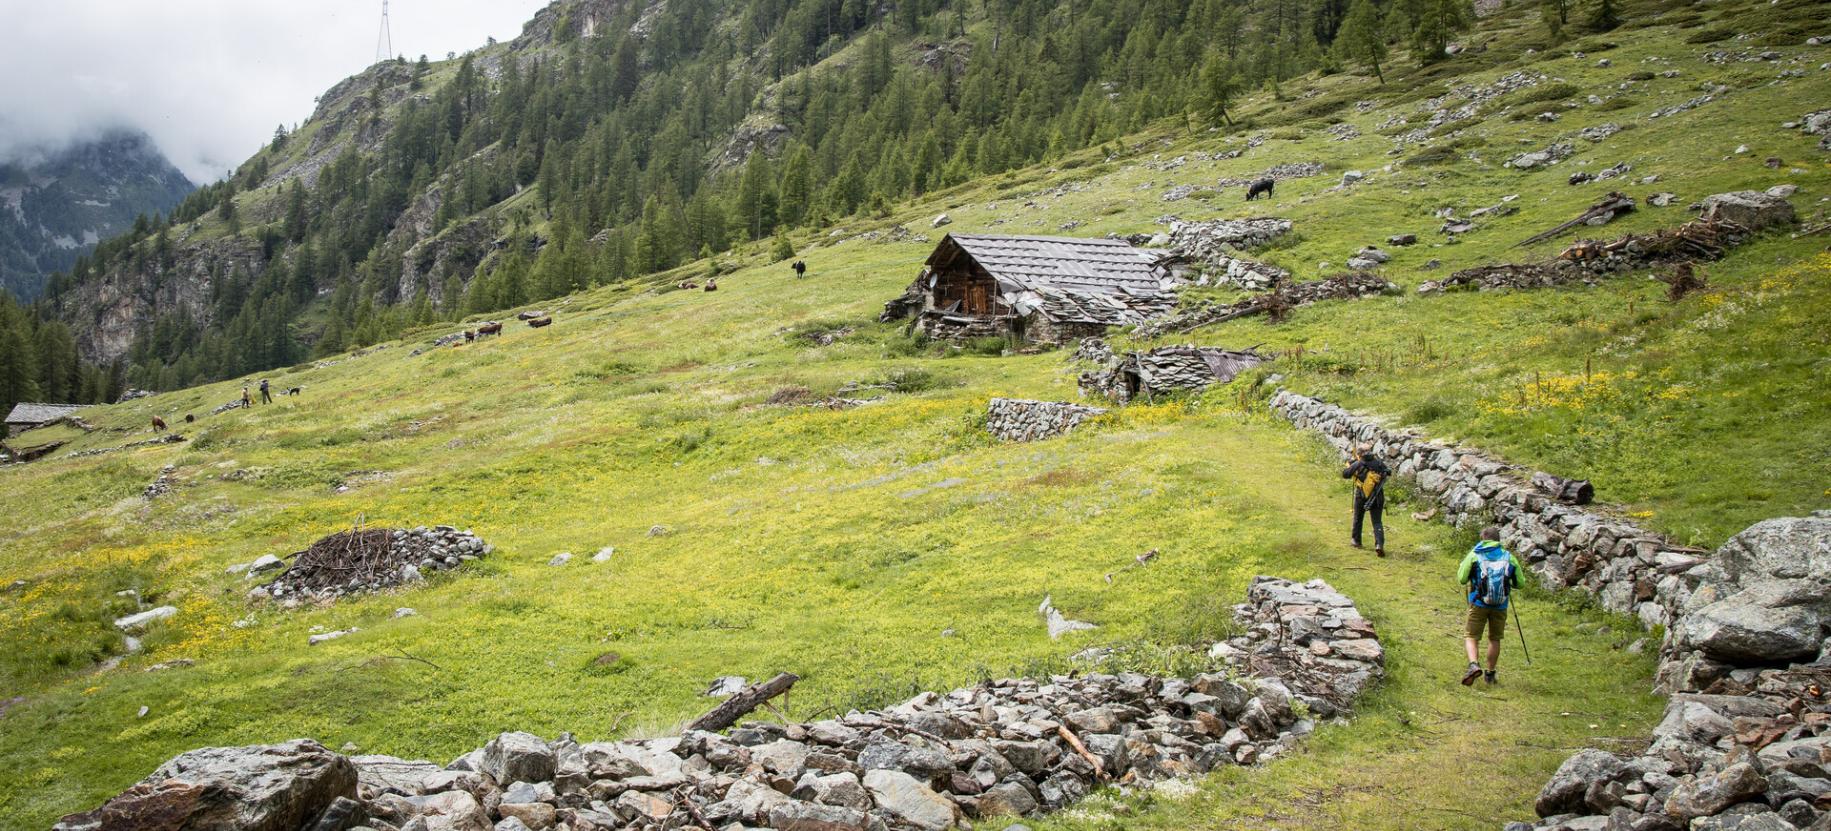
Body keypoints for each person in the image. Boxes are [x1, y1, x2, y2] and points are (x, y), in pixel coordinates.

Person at [1457, 526, 1523, 686]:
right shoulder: (1509, 557)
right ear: (1498, 540)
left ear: (1482, 538)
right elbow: (1520, 583)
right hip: (1500, 605)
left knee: (1471, 636)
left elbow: (1462, 578)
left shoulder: (1475, 555)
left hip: (1478, 602)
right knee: (1495, 638)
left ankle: (1473, 664)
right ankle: (1490, 674)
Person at [1340, 443, 1389, 556]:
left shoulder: (1358, 463)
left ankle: (1356, 541)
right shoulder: (1379, 463)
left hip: (1361, 496)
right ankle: (1379, 545)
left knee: (1358, 518)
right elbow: (1387, 471)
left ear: (1360, 453)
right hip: (1378, 496)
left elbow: (1345, 474)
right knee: (1377, 522)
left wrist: (1350, 465)